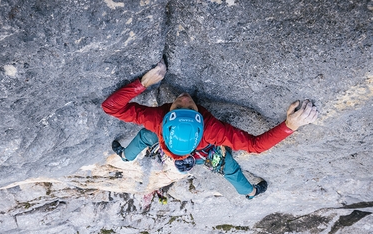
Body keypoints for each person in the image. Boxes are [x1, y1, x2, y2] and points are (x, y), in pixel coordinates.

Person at [102, 59, 318, 199]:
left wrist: (143, 82)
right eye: (183, 106)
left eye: (183, 106)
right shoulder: (210, 130)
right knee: (229, 168)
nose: (185, 99)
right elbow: (255, 146)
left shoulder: (159, 120)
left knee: (145, 136)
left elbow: (110, 107)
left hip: (172, 145)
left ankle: (127, 156)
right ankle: (250, 192)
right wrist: (290, 126)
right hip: (202, 152)